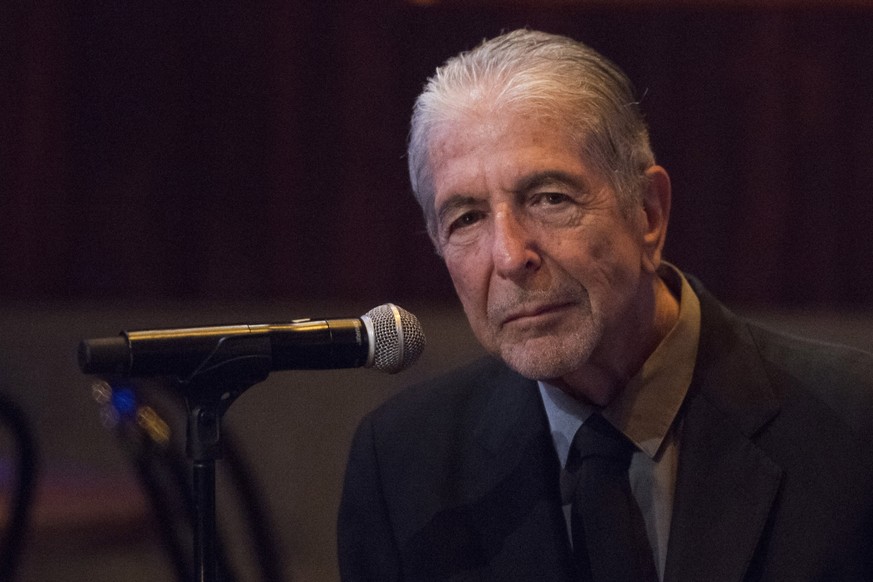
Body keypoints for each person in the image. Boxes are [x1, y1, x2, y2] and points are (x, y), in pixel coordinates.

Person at [337, 29, 873, 581]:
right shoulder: (402, 465)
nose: (508, 255)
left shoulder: (854, 424)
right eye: (467, 218)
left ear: (647, 214)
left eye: (549, 198)